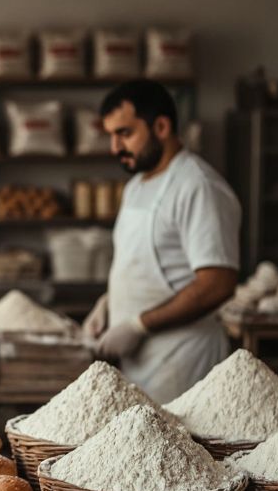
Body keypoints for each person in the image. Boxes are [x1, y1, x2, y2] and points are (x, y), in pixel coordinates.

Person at [83, 79, 241, 403]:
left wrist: (138, 326)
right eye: (111, 135)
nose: (114, 148)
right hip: (137, 363)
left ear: (161, 126)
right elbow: (138, 261)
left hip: (182, 363)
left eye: (124, 134)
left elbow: (218, 283)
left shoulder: (198, 186)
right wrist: (109, 303)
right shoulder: (136, 186)